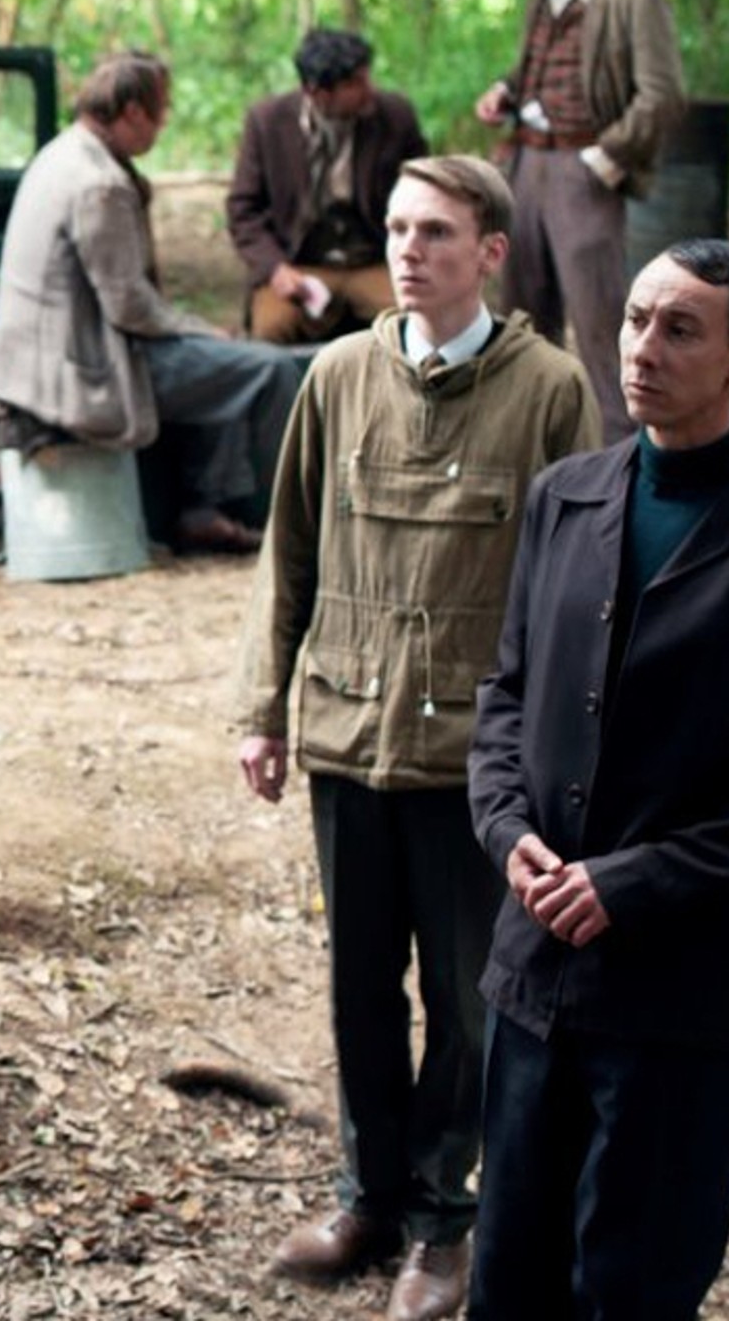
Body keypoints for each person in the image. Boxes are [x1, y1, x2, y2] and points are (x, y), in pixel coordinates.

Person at [467, 239, 729, 1315]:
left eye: (679, 329)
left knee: (633, 1287)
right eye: (636, 318)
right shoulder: (564, 498)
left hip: (684, 995)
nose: (641, 348)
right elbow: (505, 697)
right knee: (507, 1272)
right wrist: (505, 826)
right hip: (532, 972)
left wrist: (637, 880)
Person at [236, 155, 596, 1321]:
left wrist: (555, 764)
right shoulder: (336, 374)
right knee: (356, 989)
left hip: (471, 767)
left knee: (466, 999)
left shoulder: (547, 388)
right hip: (347, 736)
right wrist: (263, 710)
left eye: (435, 231)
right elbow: (284, 554)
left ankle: (446, 1222)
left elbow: (576, 588)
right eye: (395, 228)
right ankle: (368, 1194)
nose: (406, 250)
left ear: (489, 251)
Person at [0, 50, 306, 553]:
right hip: (82, 368)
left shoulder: (63, 153)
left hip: (57, 354)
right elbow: (129, 306)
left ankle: (203, 507)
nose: (161, 126)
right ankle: (281, 523)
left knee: (226, 365)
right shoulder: (99, 183)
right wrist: (200, 329)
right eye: (161, 112)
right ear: (133, 112)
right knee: (269, 371)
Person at [475, 0, 685, 442]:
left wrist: (605, 157)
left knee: (599, 321)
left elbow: (663, 96)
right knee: (522, 313)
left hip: (584, 168)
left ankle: (620, 454)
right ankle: (531, 443)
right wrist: (507, 90)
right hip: (526, 163)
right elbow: (538, 69)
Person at [225, 28, 432, 346]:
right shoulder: (267, 122)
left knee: (418, 324)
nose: (369, 90)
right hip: (298, 263)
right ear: (317, 92)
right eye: (355, 83)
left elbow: (424, 192)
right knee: (270, 332)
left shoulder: (395, 116)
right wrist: (276, 269)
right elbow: (243, 210)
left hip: (374, 259)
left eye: (367, 77)